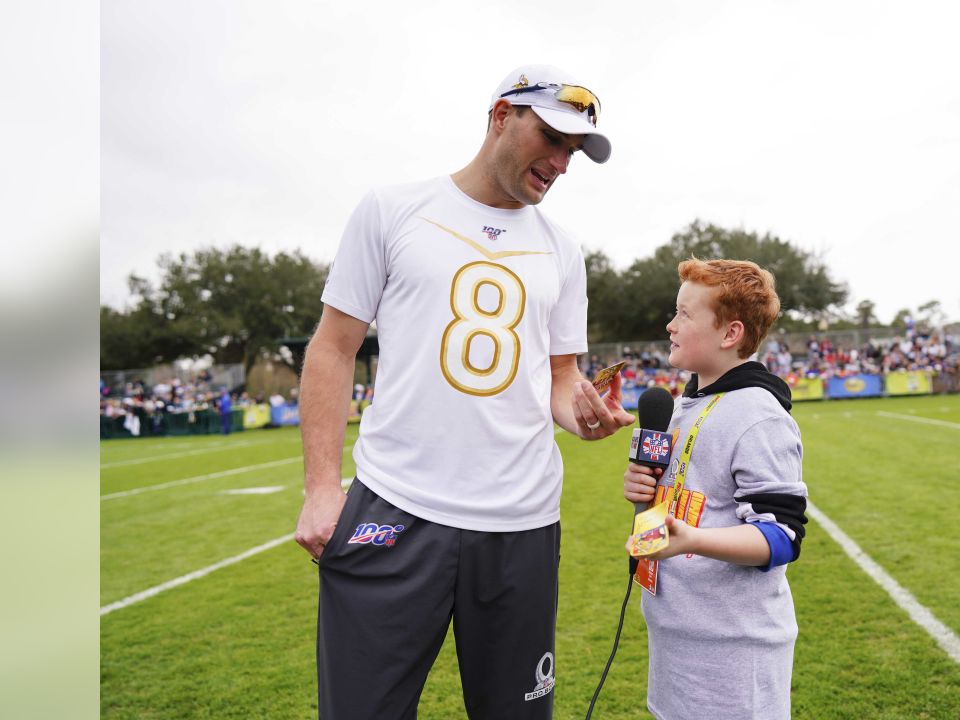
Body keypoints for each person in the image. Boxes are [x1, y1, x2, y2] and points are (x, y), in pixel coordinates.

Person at [293, 64, 634, 720]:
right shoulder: (393, 210)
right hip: (395, 506)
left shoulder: (564, 251)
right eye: (552, 137)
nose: (561, 162)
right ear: (502, 116)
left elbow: (561, 379)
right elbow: (333, 349)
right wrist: (320, 488)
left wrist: (581, 416)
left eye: (574, 151)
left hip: (521, 524)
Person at [623, 258, 808, 720]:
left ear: (730, 334)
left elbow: (781, 535)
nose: (670, 325)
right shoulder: (683, 406)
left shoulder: (757, 416)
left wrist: (692, 540)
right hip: (675, 636)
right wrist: (643, 491)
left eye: (685, 314)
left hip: (734, 651)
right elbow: (680, 505)